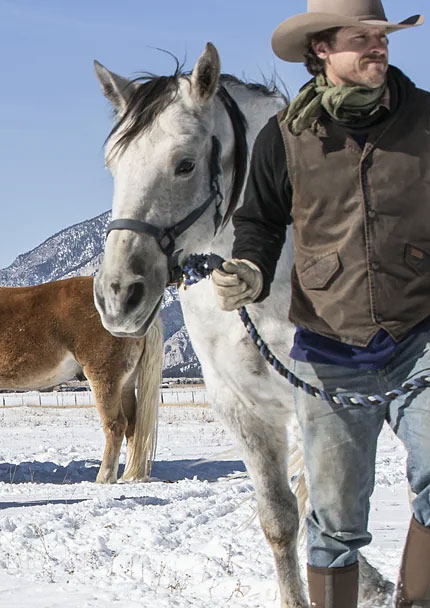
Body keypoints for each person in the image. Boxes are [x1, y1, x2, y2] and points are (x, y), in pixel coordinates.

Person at [216, 1, 430, 605]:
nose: (378, 47)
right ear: (321, 51)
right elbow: (258, 225)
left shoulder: (426, 119)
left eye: (382, 36)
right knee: (334, 524)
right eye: (360, 38)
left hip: (421, 336)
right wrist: (251, 273)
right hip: (330, 348)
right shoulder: (283, 138)